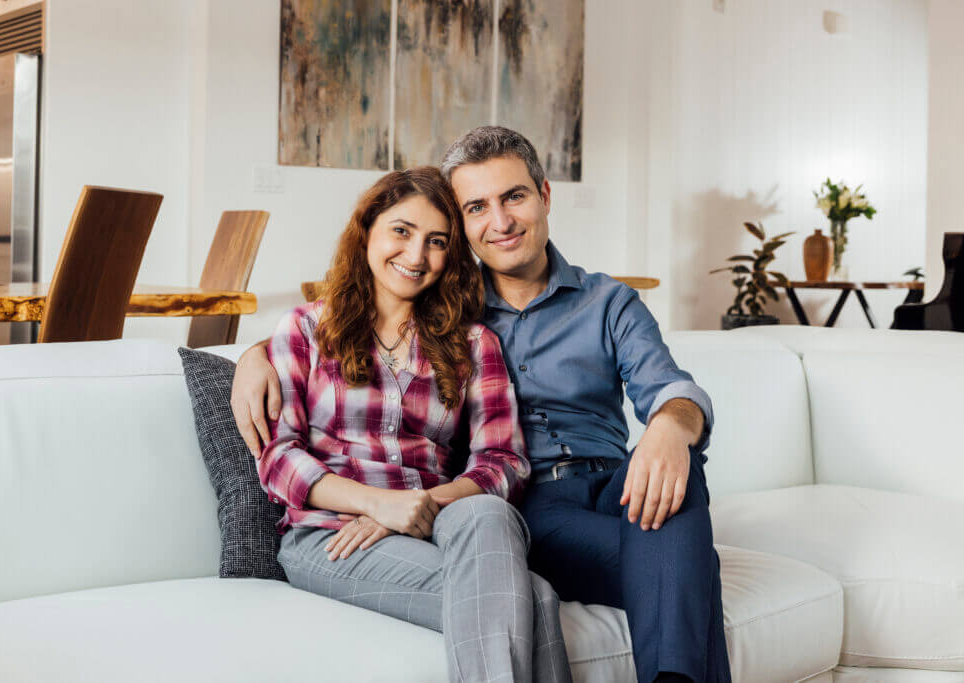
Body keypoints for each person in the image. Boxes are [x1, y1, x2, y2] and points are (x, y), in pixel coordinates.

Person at [234, 130, 730, 683]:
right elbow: (316, 380)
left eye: (514, 197)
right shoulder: (420, 316)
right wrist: (252, 357)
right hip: (531, 508)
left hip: (612, 485)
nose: (500, 221)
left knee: (684, 468)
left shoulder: (583, 308)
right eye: (476, 207)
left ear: (544, 195)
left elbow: (668, 389)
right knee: (681, 567)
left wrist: (669, 428)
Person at [252, 166, 572, 683]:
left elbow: (505, 461)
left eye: (437, 241)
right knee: (534, 596)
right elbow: (279, 457)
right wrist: (377, 504)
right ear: (368, 232)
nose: (417, 255)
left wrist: (417, 507)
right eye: (401, 231)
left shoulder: (473, 344)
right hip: (332, 538)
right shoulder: (308, 328)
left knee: (487, 512)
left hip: (437, 529)